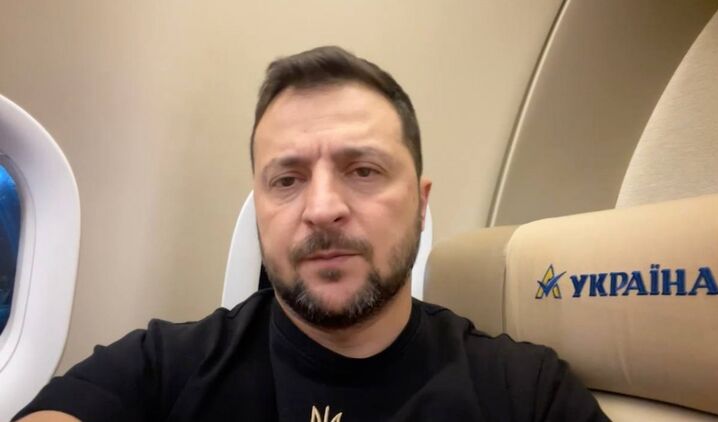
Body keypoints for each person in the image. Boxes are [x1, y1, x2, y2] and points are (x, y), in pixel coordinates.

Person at [15, 46, 609, 421]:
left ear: (421, 205)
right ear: (260, 211)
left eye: (363, 170)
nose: (322, 209)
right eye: (287, 179)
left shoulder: (526, 393)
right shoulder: (163, 365)